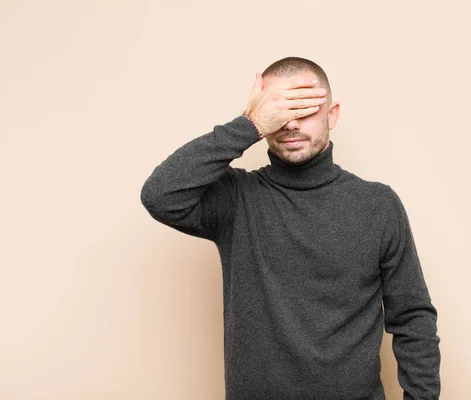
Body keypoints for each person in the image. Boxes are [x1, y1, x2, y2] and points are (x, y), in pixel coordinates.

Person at [140, 56, 441, 400]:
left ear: (333, 114)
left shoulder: (378, 205)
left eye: (306, 108)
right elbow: (160, 195)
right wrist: (247, 124)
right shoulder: (236, 199)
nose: (291, 123)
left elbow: (413, 318)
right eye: (280, 111)